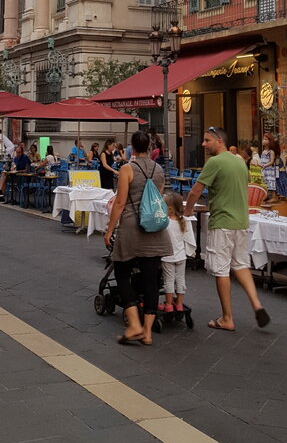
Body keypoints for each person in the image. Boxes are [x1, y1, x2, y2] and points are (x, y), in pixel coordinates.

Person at [186, 127, 270, 332]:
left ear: (219, 141)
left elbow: (196, 191)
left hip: (222, 221)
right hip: (241, 222)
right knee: (241, 264)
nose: (203, 144)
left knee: (221, 269)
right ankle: (256, 304)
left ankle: (227, 318)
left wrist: (187, 211)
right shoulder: (240, 162)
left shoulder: (214, 162)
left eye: (207, 140)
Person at [103, 130, 171, 346]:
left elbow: (120, 202)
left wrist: (109, 230)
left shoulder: (127, 169)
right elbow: (158, 196)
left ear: (132, 147)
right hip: (155, 230)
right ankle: (148, 332)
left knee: (122, 272)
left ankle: (134, 324)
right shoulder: (159, 169)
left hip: (132, 228)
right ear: (149, 147)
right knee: (151, 280)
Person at [161, 191, 196, 313]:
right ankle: (179, 304)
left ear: (169, 209)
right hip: (181, 256)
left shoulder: (165, 222)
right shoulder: (183, 221)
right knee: (181, 280)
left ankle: (168, 304)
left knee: (169, 281)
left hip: (167, 256)